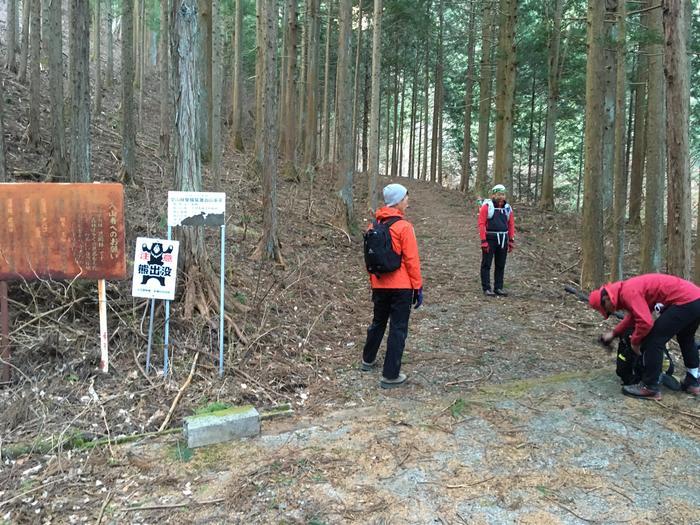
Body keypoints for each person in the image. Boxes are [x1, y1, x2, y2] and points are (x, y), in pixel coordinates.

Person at [589, 273, 700, 400]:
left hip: (685, 301)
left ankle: (650, 388)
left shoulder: (628, 292)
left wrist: (635, 341)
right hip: (696, 299)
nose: (611, 312)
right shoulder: (626, 289)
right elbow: (633, 316)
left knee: (653, 340)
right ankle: (692, 381)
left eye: (607, 311)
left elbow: (646, 322)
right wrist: (614, 333)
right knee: (686, 338)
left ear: (606, 299)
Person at [361, 183, 423, 389]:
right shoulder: (404, 227)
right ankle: (390, 375)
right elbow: (412, 260)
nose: (408, 201)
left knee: (378, 322)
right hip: (401, 287)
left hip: (379, 285)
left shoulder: (373, 226)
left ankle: (367, 360)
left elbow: (369, 259)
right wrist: (418, 287)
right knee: (398, 329)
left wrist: (374, 283)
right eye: (406, 197)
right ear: (397, 201)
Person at [478, 184, 515, 296]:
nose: (501, 196)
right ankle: (486, 288)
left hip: (503, 238)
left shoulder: (507, 208)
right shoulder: (487, 207)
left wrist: (511, 240)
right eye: (499, 194)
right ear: (493, 195)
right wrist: (483, 240)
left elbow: (511, 224)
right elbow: (481, 223)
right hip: (490, 238)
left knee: (500, 264)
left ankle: (498, 287)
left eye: (503, 194)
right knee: (486, 264)